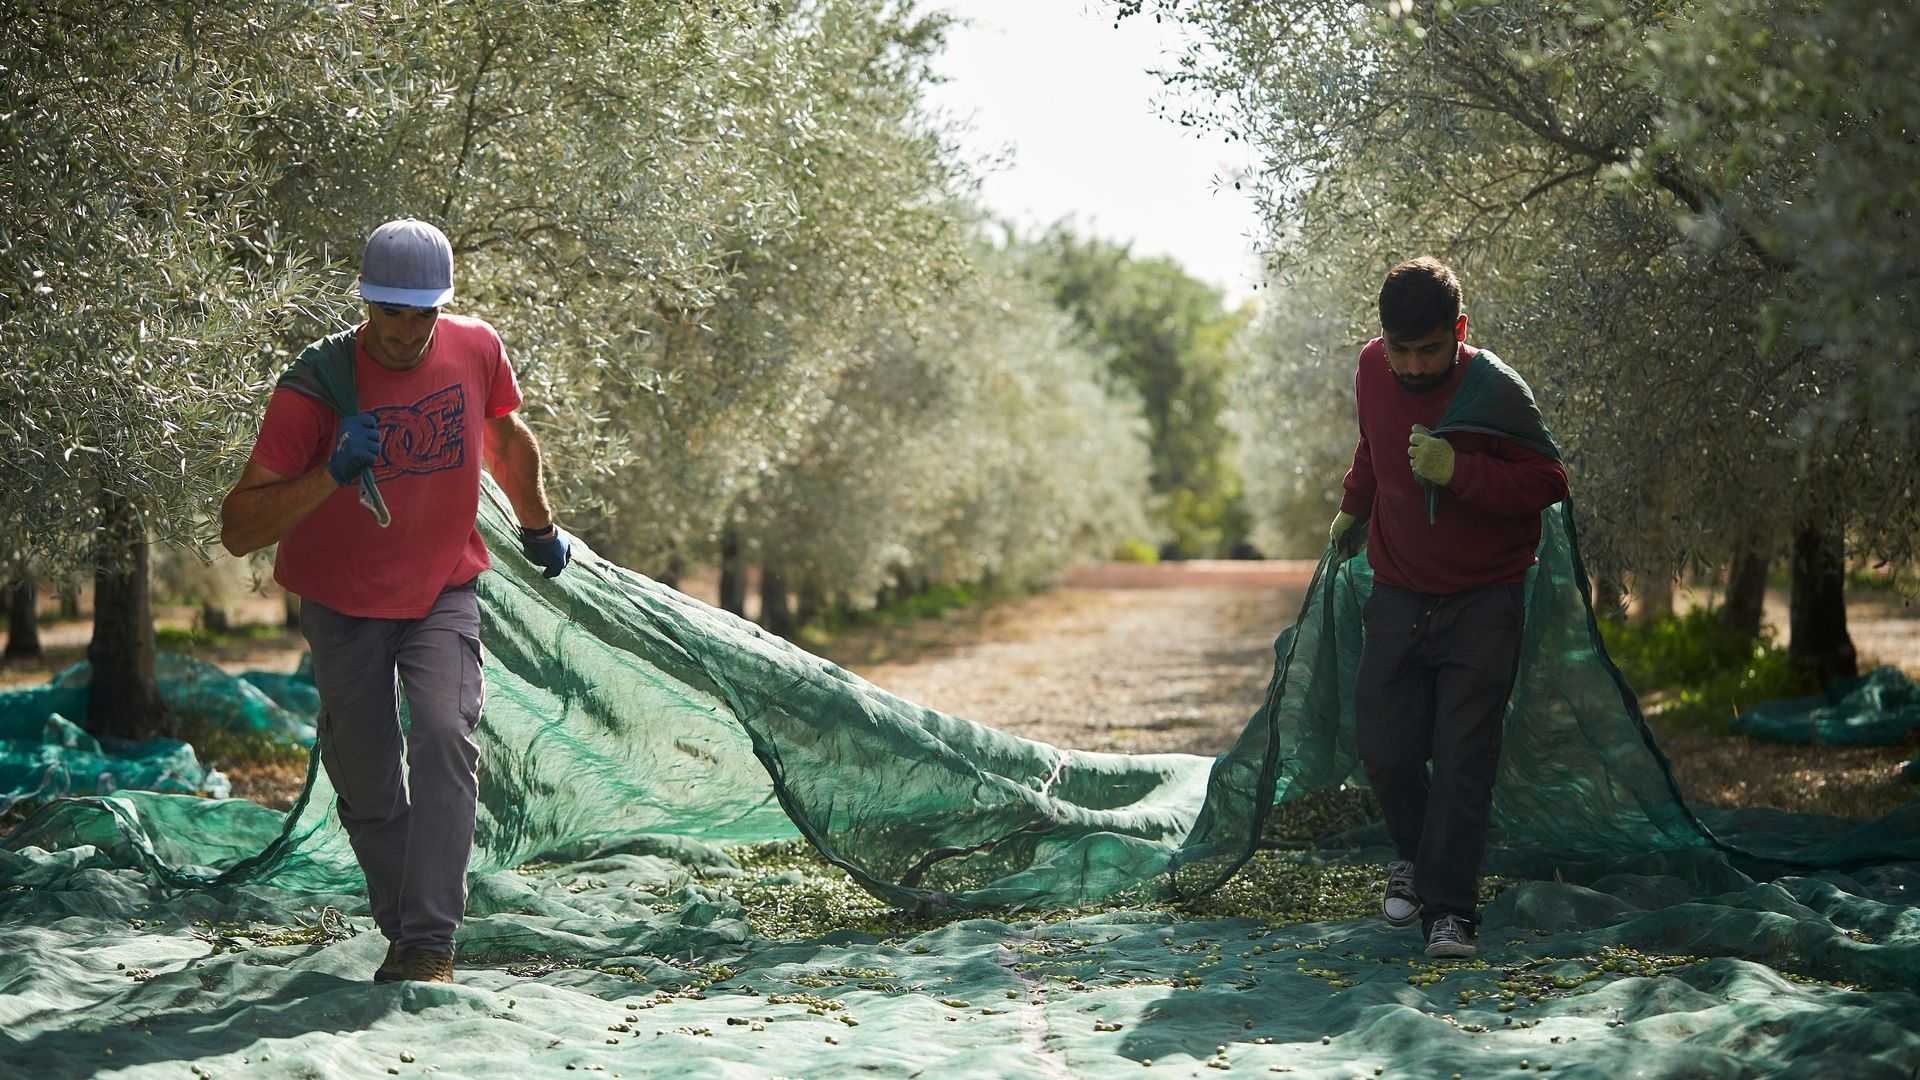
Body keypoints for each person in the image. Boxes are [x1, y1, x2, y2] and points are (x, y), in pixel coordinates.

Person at [220, 218, 572, 983]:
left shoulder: (476, 346)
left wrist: (538, 524)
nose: (411, 332)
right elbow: (239, 528)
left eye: (426, 313)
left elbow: (508, 441)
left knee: (446, 735)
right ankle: (406, 923)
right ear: (365, 302)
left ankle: (428, 943)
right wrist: (328, 475)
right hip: (342, 606)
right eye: (393, 313)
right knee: (369, 780)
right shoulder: (313, 388)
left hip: (442, 591)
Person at [1328, 257, 1568, 959]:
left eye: (1428, 349)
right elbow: (1373, 448)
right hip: (1400, 588)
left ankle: (1450, 915)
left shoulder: (1495, 388)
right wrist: (1352, 508)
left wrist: (1458, 471)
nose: (1411, 365)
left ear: (1459, 331)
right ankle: (1413, 853)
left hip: (1483, 599)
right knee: (1384, 742)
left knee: (1464, 757)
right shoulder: (1373, 367)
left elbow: (1548, 479)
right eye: (1400, 349)